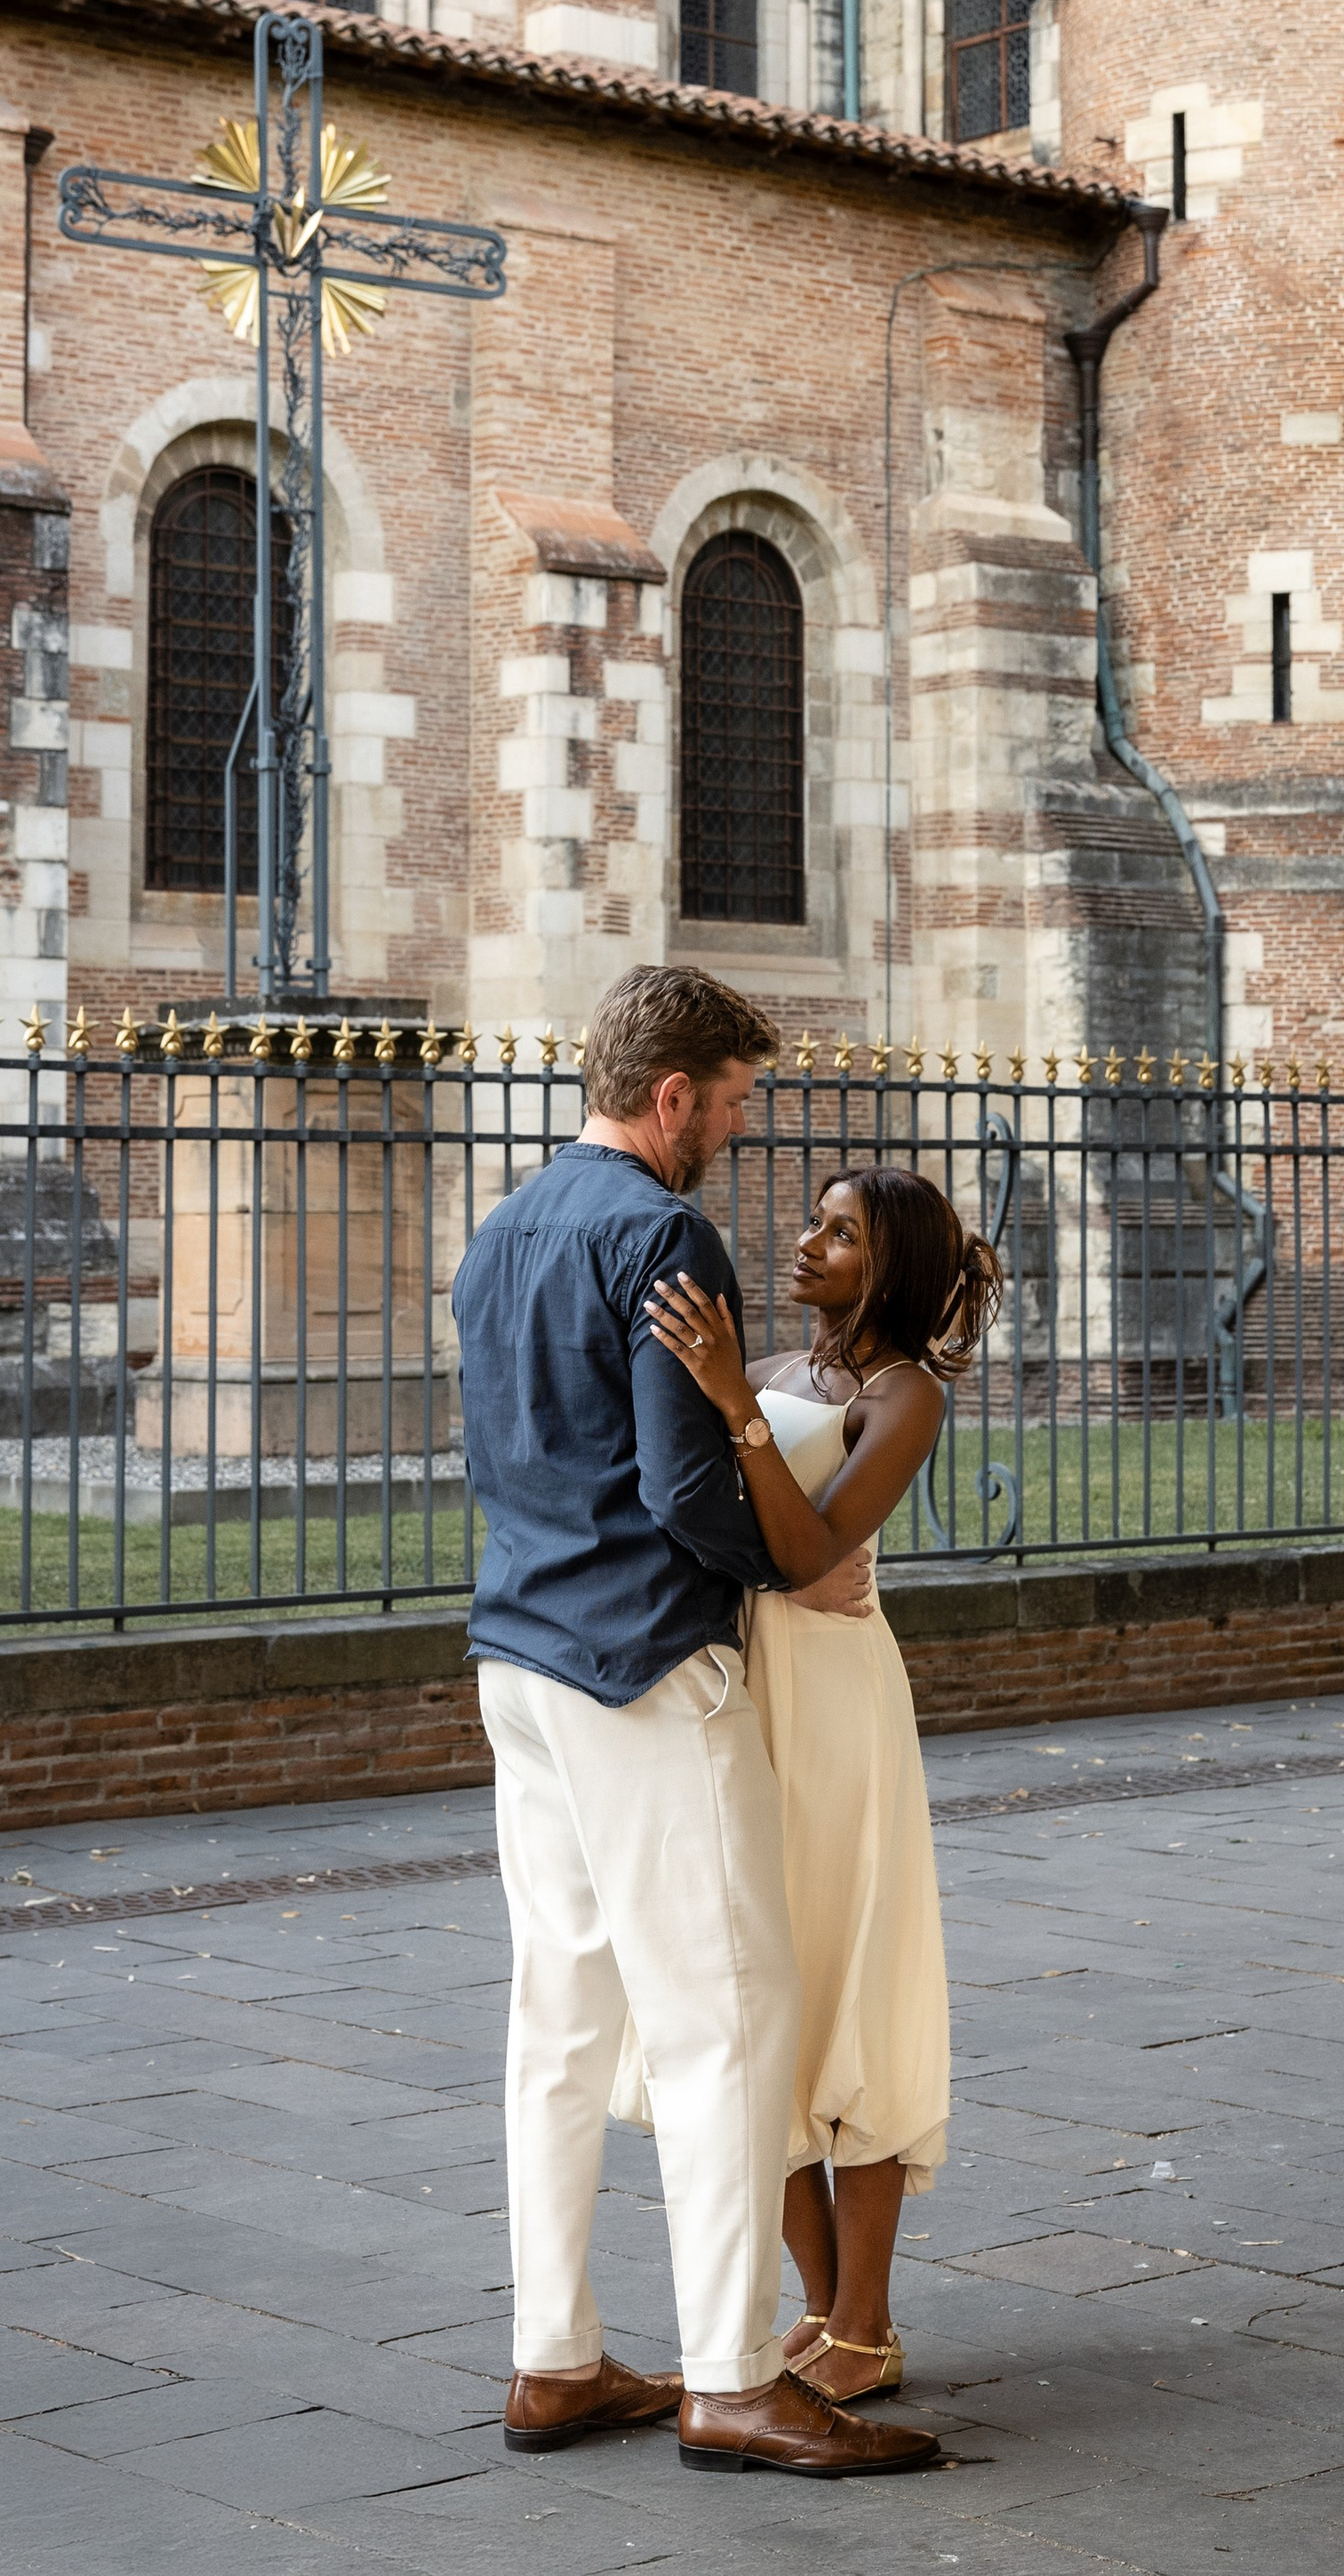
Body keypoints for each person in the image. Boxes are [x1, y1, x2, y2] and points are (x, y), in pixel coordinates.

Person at [449, 965, 940, 2482]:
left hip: (517, 1657)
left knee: (561, 2027)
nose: (734, 1127)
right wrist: (781, 1567)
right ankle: (734, 2379)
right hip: (643, 1672)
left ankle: (556, 2360)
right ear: (674, 1099)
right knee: (730, 2023)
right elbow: (685, 1493)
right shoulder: (664, 1233)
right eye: (729, 1101)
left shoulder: (507, 1221)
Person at [640, 1165, 1002, 2403]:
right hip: (750, 1692)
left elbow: (805, 1554)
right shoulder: (789, 1377)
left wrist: (731, 1401)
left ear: (887, 1265)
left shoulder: (905, 1398)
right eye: (812, 1222)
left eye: (840, 1235)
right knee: (765, 2000)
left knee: (852, 1984)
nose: (805, 1244)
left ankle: (869, 2320)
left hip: (840, 1709)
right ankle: (822, 2311)